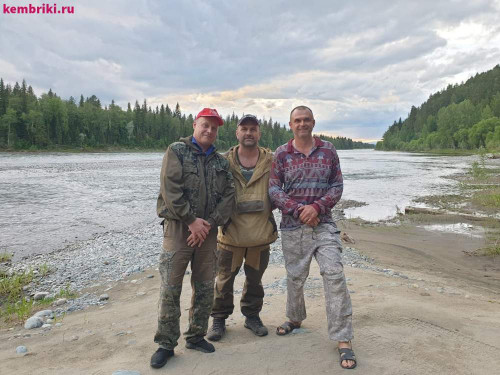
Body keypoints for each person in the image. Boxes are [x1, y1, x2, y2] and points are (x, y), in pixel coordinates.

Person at [269, 106, 357, 370]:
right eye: (298, 120)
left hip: (324, 225)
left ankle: (343, 339)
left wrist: (317, 208)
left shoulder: (328, 150)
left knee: (334, 275)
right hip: (293, 227)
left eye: (306, 120)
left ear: (313, 123)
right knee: (295, 277)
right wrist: (298, 210)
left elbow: (337, 185)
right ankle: (295, 319)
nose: (302, 124)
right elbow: (274, 188)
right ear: (290, 124)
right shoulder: (281, 154)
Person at [151, 108, 235, 369]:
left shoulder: (221, 162)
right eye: (204, 125)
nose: (209, 130)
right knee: (170, 288)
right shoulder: (177, 150)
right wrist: (191, 221)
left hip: (208, 232)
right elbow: (170, 189)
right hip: (178, 229)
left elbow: (229, 197)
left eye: (214, 127)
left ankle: (196, 335)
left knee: (205, 286)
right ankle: (166, 344)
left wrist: (208, 223)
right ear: (195, 125)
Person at [207, 114, 278, 341]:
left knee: (255, 281)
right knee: (224, 280)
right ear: (236, 133)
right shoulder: (222, 161)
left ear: (259, 133)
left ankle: (252, 316)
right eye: (244, 129)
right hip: (230, 236)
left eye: (253, 129)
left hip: (260, 235)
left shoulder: (272, 161)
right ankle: (218, 319)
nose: (248, 133)